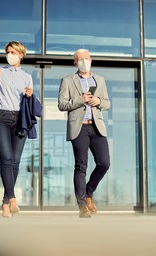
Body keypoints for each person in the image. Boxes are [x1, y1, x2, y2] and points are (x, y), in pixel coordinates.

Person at [0, 41, 40, 218]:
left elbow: (29, 99)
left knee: (16, 161)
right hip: (1, 118)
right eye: (8, 52)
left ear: (21, 55)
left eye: (13, 52)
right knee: (6, 158)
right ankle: (12, 198)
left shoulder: (27, 77)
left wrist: (30, 94)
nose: (9, 54)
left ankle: (5, 202)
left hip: (20, 119)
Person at [58, 49, 111, 218]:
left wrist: (99, 101)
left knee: (104, 163)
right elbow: (62, 104)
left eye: (86, 58)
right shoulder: (67, 81)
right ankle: (82, 205)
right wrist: (81, 99)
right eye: (79, 59)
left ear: (91, 60)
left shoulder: (100, 80)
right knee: (81, 166)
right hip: (79, 127)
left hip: (97, 127)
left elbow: (108, 102)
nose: (83, 61)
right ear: (75, 63)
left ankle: (89, 192)